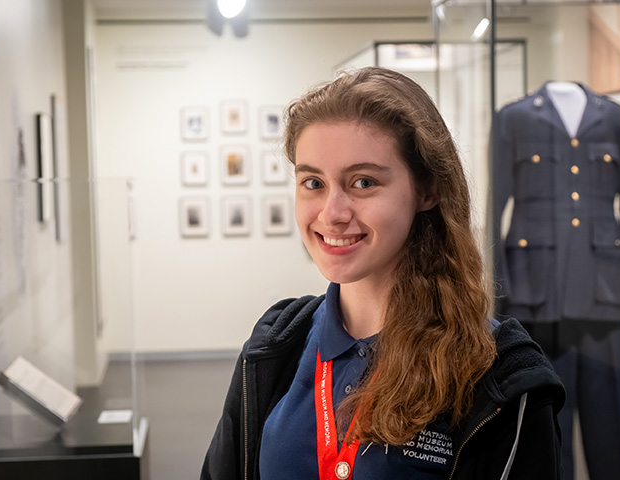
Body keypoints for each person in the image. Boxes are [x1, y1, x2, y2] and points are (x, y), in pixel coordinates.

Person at [201, 67, 565, 480]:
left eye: (363, 181)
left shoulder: (500, 376)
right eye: (313, 183)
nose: (332, 213)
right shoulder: (276, 344)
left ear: (427, 190)